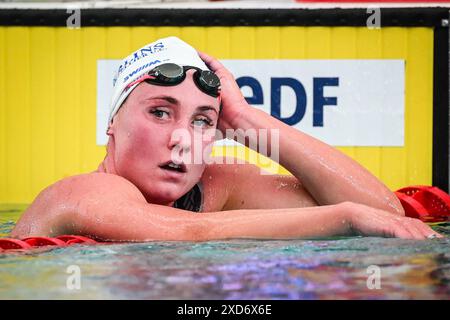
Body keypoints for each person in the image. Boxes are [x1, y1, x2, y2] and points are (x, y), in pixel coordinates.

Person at [11, 36, 442, 241]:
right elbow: (186, 234)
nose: (182, 138)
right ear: (112, 124)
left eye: (202, 121)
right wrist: (344, 216)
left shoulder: (217, 187)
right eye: (160, 112)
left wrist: (245, 119)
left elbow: (383, 214)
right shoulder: (82, 192)